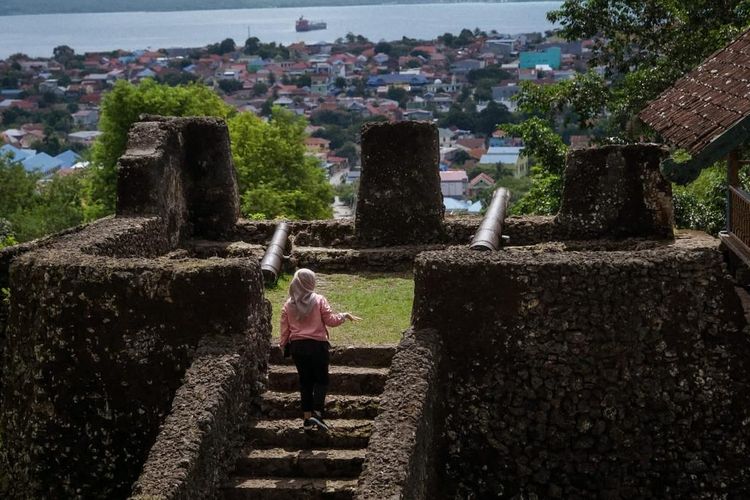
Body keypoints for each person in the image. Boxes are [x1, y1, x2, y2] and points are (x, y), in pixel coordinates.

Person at [279, 268, 360, 431]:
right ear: (311, 282)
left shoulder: (288, 304)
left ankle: (307, 418)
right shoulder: (319, 300)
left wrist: (283, 346)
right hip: (317, 346)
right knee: (321, 380)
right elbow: (330, 321)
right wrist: (344, 315)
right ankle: (317, 413)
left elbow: (284, 329)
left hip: (298, 347)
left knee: (305, 382)